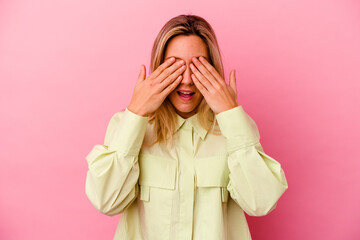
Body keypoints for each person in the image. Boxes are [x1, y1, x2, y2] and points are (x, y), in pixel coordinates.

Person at [85, 14, 289, 240]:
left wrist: (230, 114)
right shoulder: (127, 126)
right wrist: (136, 112)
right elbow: (106, 202)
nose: (188, 79)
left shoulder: (236, 128)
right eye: (175, 66)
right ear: (159, 67)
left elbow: (261, 203)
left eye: (199, 65)